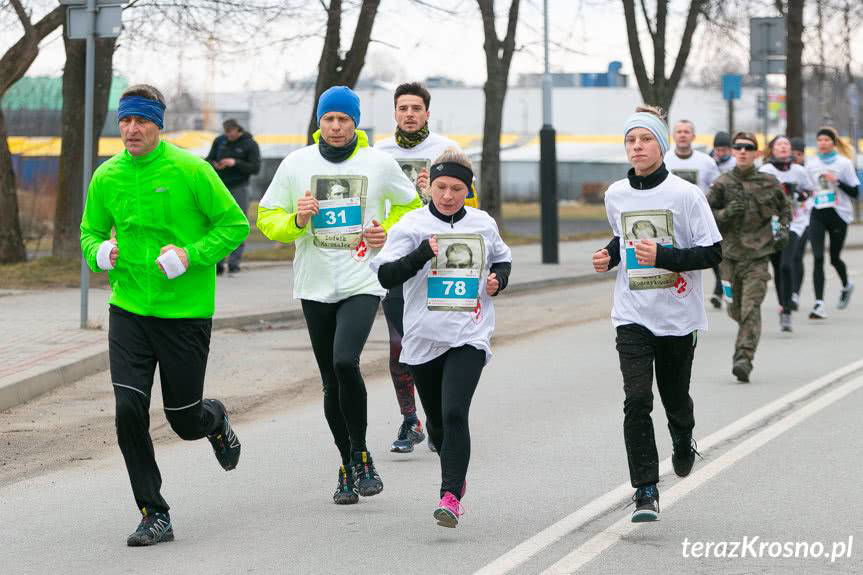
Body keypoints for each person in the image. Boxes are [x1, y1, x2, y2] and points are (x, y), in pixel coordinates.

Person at [80, 84, 250, 546]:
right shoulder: (107, 176)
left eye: (141, 121)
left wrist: (191, 255)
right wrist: (102, 253)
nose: (132, 130)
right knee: (128, 409)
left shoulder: (190, 169)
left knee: (183, 420)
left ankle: (213, 421)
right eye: (125, 122)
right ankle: (154, 511)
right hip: (130, 311)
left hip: (185, 314)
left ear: (158, 124)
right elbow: (89, 232)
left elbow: (235, 224)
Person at [257, 86, 422, 505]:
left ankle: (362, 452)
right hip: (314, 283)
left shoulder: (378, 164)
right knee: (331, 381)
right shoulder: (297, 164)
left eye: (343, 120)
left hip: (361, 279)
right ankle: (349, 462)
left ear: (355, 123)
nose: (335, 126)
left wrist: (387, 231)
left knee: (344, 361)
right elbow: (267, 217)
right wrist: (296, 219)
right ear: (319, 122)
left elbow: (412, 208)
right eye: (328, 119)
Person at [593, 105, 722, 523]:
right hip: (632, 312)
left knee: (674, 398)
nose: (637, 147)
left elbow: (713, 251)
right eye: (631, 140)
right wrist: (609, 255)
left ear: (661, 146)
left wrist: (664, 255)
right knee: (637, 399)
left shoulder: (686, 195)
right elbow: (621, 235)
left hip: (677, 315)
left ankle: (683, 439)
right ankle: (645, 489)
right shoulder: (616, 194)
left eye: (645, 139)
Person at [371, 148, 511, 528]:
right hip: (423, 338)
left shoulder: (483, 223)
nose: (448, 195)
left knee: (454, 413)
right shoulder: (412, 226)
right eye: (441, 187)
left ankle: (450, 495)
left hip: (469, 333)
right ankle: (453, 470)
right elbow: (385, 276)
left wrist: (499, 279)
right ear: (430, 187)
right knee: (436, 425)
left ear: (468, 191)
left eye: (456, 189)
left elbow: (502, 258)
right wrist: (420, 254)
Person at [375, 82, 480, 454]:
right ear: (395, 113)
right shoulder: (379, 153)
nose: (408, 114)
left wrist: (431, 194)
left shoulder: (445, 150)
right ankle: (410, 419)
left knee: (437, 343)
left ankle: (439, 415)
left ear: (426, 113)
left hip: (441, 265)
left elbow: (472, 201)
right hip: (400, 258)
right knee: (399, 344)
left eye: (415, 108)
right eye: (402, 108)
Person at [707, 132, 791, 383]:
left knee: (751, 307)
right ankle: (745, 338)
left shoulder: (769, 182)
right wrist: (724, 214)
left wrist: (783, 232)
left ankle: (743, 358)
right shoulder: (722, 183)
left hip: (757, 256)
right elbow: (706, 214)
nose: (742, 151)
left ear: (756, 153)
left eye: (748, 147)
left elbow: (785, 209)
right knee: (735, 309)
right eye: (738, 147)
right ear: (733, 152)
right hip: (729, 258)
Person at [665, 120, 723, 309]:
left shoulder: (706, 162)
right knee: (675, 256)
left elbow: (718, 188)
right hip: (671, 217)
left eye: (687, 131)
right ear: (674, 136)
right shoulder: (664, 159)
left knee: (707, 253)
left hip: (699, 217)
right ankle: (676, 294)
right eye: (679, 131)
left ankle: (719, 287)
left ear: (693, 136)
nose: (683, 135)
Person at [759, 136, 815, 332]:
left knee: (786, 264)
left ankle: (788, 310)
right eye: (779, 145)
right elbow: (756, 195)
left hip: (793, 223)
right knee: (777, 266)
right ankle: (783, 306)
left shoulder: (799, 171)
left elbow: (810, 191)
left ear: (790, 150)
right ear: (772, 150)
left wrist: (800, 195)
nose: (783, 147)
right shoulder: (765, 171)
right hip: (771, 225)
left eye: (786, 145)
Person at [805, 126, 860, 318]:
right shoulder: (810, 164)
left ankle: (847, 284)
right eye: (820, 140)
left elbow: (855, 192)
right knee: (818, 257)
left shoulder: (843, 164)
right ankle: (819, 304)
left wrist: (836, 181)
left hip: (839, 214)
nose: (823, 143)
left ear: (833, 142)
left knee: (834, 258)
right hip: (817, 212)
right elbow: (807, 188)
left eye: (826, 140)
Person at [205, 118, 261, 276]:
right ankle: (219, 263)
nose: (228, 136)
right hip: (220, 187)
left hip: (239, 187)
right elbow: (208, 159)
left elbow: (255, 168)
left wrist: (234, 162)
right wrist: (214, 164)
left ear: (238, 130)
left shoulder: (250, 144)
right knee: (217, 223)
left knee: (238, 223)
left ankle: (234, 263)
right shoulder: (220, 141)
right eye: (226, 133)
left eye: (231, 133)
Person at [789, 136, 810, 309]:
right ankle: (789, 291)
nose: (796, 156)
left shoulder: (807, 171)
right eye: (793, 153)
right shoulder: (787, 171)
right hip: (788, 219)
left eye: (799, 153)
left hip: (806, 219)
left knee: (797, 255)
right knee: (786, 258)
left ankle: (795, 293)